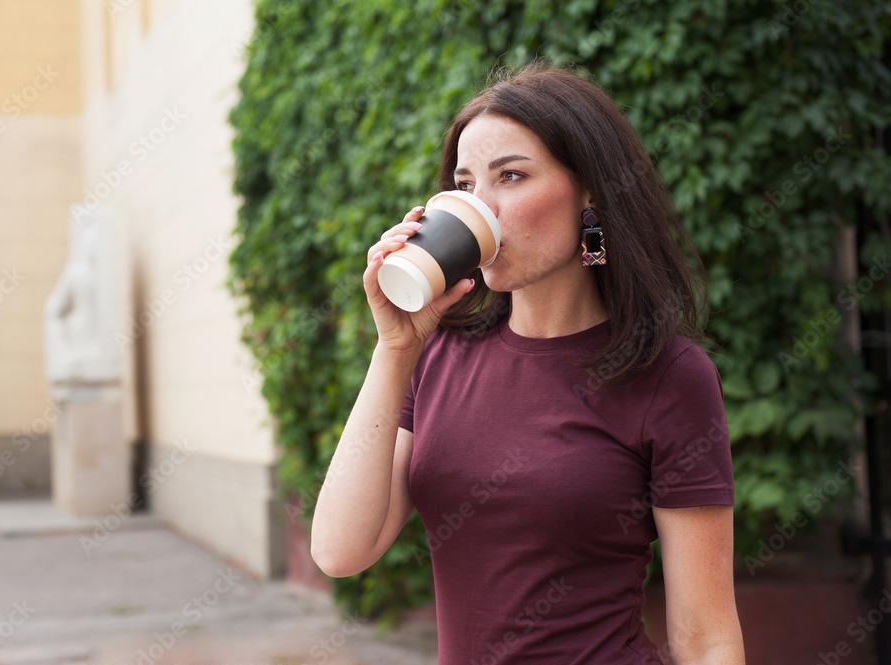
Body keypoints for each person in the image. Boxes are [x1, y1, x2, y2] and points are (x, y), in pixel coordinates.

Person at [310, 63, 745, 665]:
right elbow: (339, 550)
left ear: (590, 189)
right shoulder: (435, 355)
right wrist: (394, 350)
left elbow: (707, 638)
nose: (481, 209)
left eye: (510, 177)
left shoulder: (669, 375)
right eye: (465, 188)